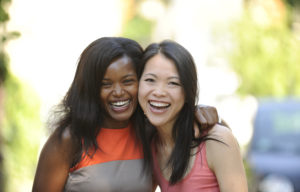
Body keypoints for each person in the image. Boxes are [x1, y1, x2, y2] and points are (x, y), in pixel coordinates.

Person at [32, 37, 219, 192]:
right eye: (106, 84)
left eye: (128, 81)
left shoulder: (150, 133)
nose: (118, 92)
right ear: (90, 89)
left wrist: (196, 111)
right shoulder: (68, 140)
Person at [137, 40, 248, 192]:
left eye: (173, 83)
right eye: (150, 80)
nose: (159, 92)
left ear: (188, 91)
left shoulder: (217, 141)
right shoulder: (150, 145)